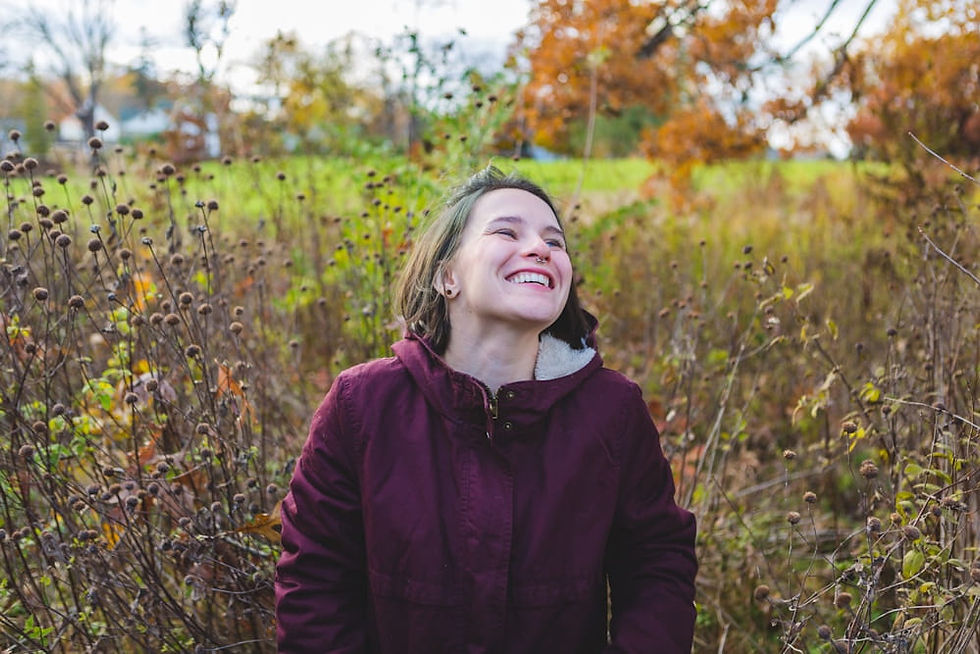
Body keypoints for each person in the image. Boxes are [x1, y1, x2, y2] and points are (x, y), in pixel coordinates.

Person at [275, 166, 698, 653]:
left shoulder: (612, 411)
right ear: (446, 276)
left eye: (555, 241)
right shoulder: (361, 404)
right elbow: (314, 583)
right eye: (506, 232)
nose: (540, 249)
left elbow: (657, 567)